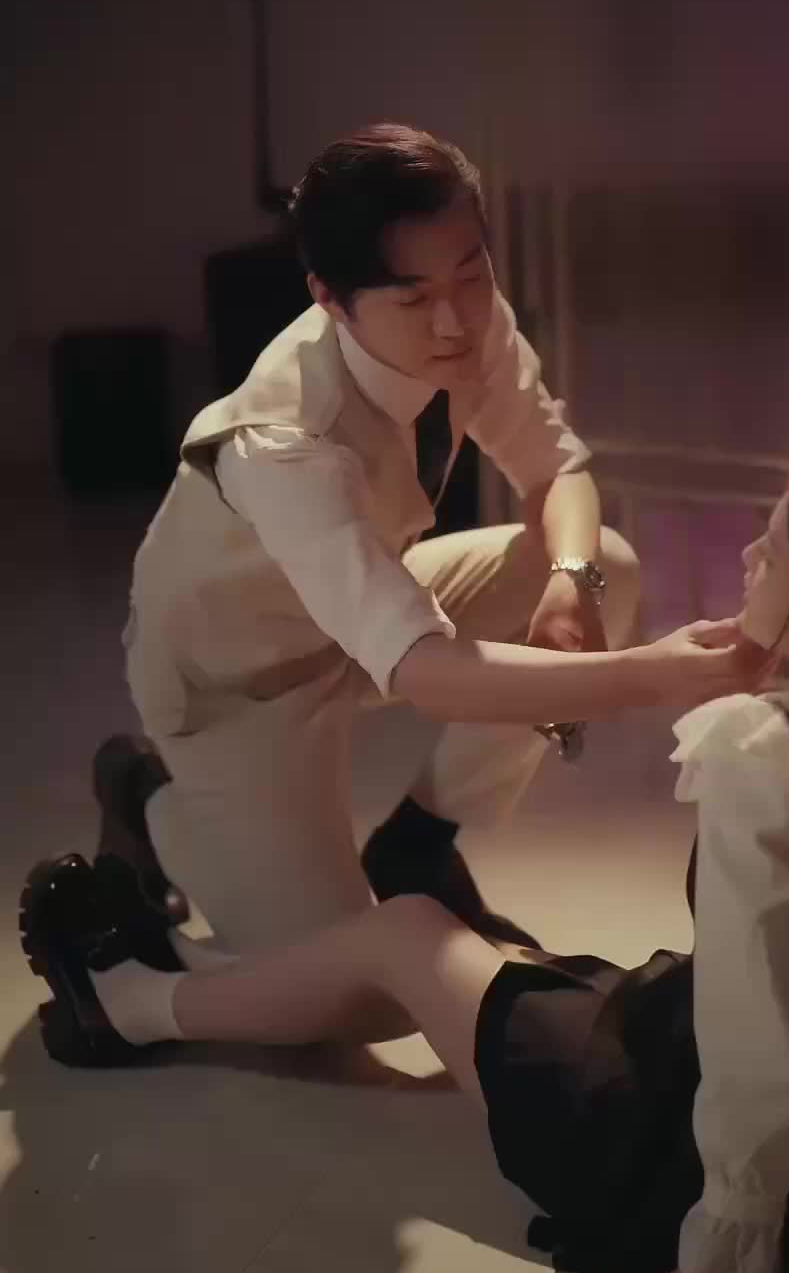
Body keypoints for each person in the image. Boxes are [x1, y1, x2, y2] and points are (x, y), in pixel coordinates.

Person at [21, 439, 789, 1273]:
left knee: (402, 934)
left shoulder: (769, 755)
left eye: (770, 553)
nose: (747, 558)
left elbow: (759, 1032)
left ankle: (129, 1005)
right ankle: (189, 943)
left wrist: (725, 1250)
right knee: (524, 966)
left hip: (687, 1151)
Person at [80, 123, 745, 1023]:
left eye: (471, 274)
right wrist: (652, 675)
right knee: (360, 1000)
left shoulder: (471, 324)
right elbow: (425, 671)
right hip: (238, 685)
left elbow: (557, 470)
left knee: (605, 567)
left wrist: (570, 582)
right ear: (330, 299)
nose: (455, 320)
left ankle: (419, 843)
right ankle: (152, 807)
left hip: (367, 612)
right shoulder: (284, 440)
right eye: (414, 296)